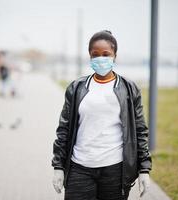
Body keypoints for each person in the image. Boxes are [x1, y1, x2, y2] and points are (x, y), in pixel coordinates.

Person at [51, 30, 152, 200]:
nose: (101, 58)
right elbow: (64, 128)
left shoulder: (129, 89)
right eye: (95, 54)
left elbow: (140, 130)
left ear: (115, 56)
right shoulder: (76, 88)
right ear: (90, 56)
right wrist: (58, 166)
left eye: (106, 54)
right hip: (79, 167)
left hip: (115, 170)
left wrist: (144, 169)